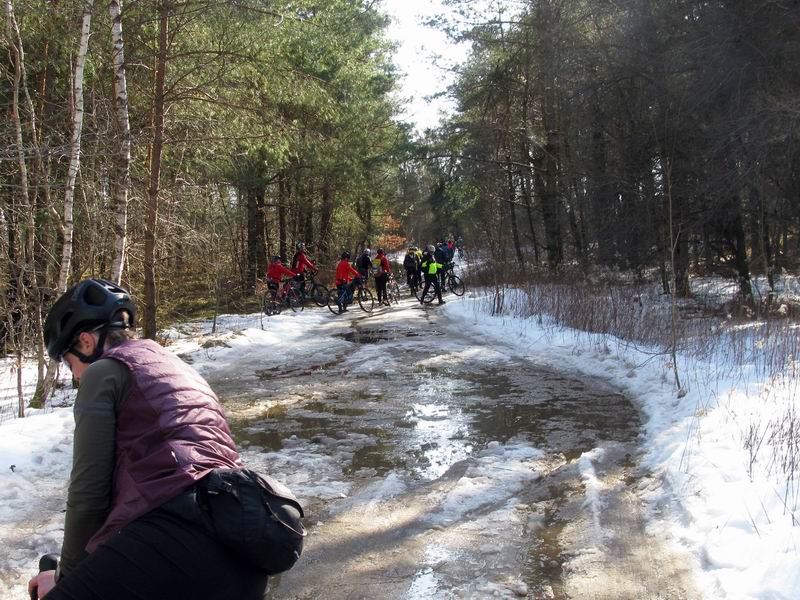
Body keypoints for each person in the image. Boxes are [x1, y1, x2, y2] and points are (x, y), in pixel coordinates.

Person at [30, 279, 270, 600]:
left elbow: (89, 496)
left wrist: (67, 580)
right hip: (243, 547)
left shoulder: (103, 372)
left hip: (178, 542)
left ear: (86, 342)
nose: (75, 377)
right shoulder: (168, 363)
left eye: (70, 364)